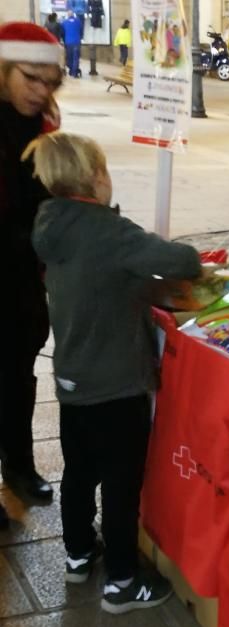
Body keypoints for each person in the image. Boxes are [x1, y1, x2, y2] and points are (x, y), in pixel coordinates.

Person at [28, 131, 202, 613]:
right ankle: (123, 580)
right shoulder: (107, 230)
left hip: (72, 382)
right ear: (96, 178)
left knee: (79, 475)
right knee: (122, 484)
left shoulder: (49, 222)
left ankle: (79, 555)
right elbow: (179, 260)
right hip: (117, 385)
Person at [0, 21, 63, 529]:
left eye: (51, 81)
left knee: (19, 379)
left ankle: (19, 467)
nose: (41, 91)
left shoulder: (45, 128)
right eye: (31, 78)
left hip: (22, 280)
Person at [62, 10, 82, 78]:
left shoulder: (64, 22)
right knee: (76, 58)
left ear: (68, 15)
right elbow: (81, 31)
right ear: (73, 15)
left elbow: (63, 33)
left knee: (69, 58)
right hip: (77, 42)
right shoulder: (78, 21)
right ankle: (74, 72)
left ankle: (72, 70)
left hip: (68, 42)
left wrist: (64, 40)